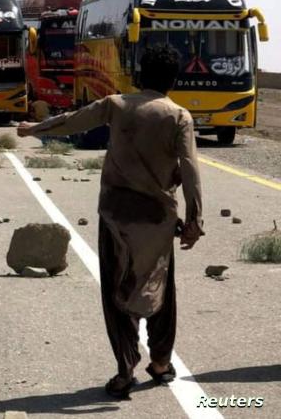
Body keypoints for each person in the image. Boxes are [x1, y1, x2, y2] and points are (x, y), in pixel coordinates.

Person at [18, 45, 203, 399]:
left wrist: (32, 128)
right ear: (173, 81)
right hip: (157, 220)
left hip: (115, 215)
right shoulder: (178, 116)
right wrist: (194, 219)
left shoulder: (116, 105)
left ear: (137, 75)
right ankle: (161, 364)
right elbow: (191, 170)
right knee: (161, 288)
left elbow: (72, 121)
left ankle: (124, 368)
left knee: (116, 289)